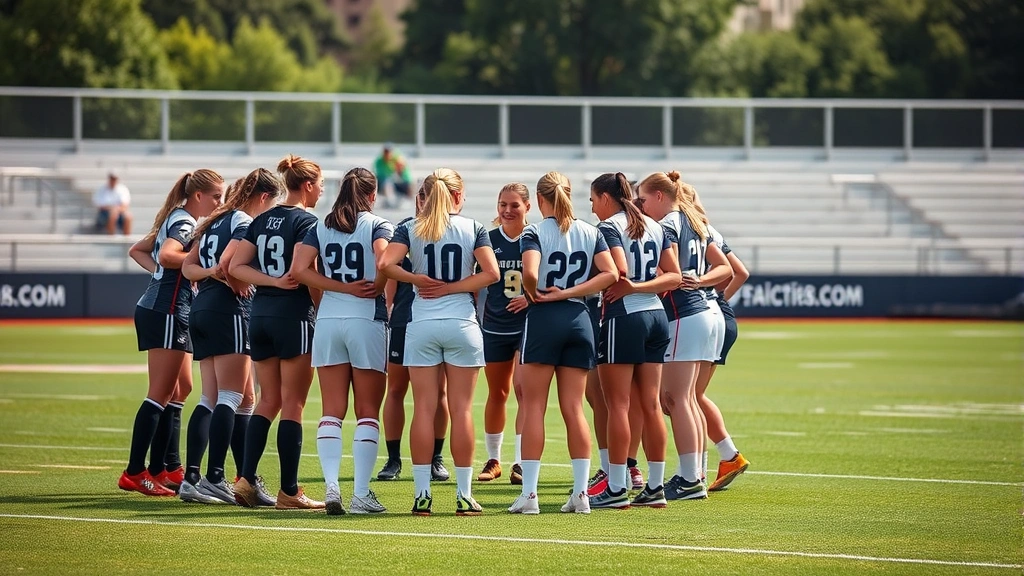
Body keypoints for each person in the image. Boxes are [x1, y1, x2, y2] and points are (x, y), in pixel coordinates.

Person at [378, 167, 499, 516]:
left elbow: (385, 263)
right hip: (462, 322)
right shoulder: (473, 227)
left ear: (424, 197)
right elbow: (490, 274)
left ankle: (421, 495)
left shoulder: (409, 227)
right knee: (461, 410)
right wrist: (453, 287)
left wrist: (416, 278)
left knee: (424, 408)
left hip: (422, 323)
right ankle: (463, 494)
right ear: (458, 196)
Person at [508, 171, 617, 515]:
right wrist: (570, 293)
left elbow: (528, 272)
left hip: (544, 319)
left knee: (535, 407)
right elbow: (611, 274)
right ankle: (582, 494)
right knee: (574, 408)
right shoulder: (590, 231)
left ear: (540, 200)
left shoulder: (534, 231)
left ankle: (529, 496)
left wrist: (535, 293)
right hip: (579, 320)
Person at [290, 167, 391, 515]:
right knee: (367, 412)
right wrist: (374, 286)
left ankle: (332, 485)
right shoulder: (377, 224)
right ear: (372, 194)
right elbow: (383, 261)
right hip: (366, 318)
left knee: (331, 410)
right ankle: (360, 493)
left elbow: (300, 270)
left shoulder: (321, 224)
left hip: (330, 318)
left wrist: (338, 288)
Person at [118, 169, 224, 497]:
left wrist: (160, 273)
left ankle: (167, 466)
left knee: (182, 388)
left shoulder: (178, 217)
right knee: (160, 393)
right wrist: (188, 263)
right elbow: (165, 255)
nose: (219, 202)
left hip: (173, 308)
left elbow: (139, 249)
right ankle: (135, 472)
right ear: (197, 196)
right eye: (216, 196)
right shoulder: (185, 223)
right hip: (165, 311)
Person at [228, 156, 324, 510]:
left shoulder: (262, 219)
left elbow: (236, 266)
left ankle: (245, 480)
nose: (322, 191)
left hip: (260, 316)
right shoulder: (306, 222)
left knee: (268, 400)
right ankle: (289, 491)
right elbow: (305, 271)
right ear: (309, 185)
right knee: (294, 405)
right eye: (321, 184)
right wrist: (321, 307)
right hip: (294, 317)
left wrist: (269, 281)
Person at [178, 172, 280, 504]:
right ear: (263, 198)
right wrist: (232, 277)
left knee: (220, 398)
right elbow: (229, 262)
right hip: (229, 310)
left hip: (201, 308)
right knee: (232, 397)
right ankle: (215, 477)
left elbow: (188, 268)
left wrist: (212, 274)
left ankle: (201, 477)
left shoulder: (212, 220)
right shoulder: (243, 221)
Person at [635, 170, 732, 501]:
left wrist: (680, 280)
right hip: (704, 312)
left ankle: (690, 477)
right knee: (686, 399)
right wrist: (701, 281)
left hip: (684, 315)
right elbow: (727, 269)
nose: (641, 206)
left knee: (676, 400)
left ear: (660, 196)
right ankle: (696, 473)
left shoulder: (668, 225)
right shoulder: (696, 222)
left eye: (644, 199)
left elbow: (668, 273)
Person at [589, 172, 680, 510]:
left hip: (623, 317)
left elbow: (620, 271)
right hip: (657, 316)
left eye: (594, 199)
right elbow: (673, 275)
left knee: (618, 406)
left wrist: (628, 287)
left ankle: (616, 487)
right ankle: (655, 486)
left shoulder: (609, 227)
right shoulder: (656, 226)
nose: (593, 206)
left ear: (606, 198)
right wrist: (644, 287)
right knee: (651, 405)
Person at [377, 182, 452, 483]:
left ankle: (436, 456)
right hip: (406, 318)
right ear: (418, 199)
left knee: (440, 392)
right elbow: (389, 273)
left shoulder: (455, 229)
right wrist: (390, 310)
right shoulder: (406, 230)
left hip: (440, 317)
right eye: (424, 196)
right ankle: (393, 458)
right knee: (396, 388)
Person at [477, 183, 531, 484]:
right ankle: (494, 459)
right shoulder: (488, 239)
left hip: (528, 326)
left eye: (514, 205)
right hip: (494, 325)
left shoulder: (534, 238)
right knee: (497, 392)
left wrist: (531, 298)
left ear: (527, 207)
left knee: (524, 392)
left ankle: (520, 462)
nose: (507, 210)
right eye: (502, 204)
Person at [373, 143, 413, 207]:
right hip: (384, 183)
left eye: (389, 151)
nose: (387, 154)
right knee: (387, 183)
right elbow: (379, 175)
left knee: (408, 184)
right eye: (386, 152)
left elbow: (405, 175)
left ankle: (409, 200)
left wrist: (399, 170)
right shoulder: (379, 161)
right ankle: (390, 200)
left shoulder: (397, 159)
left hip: (399, 182)